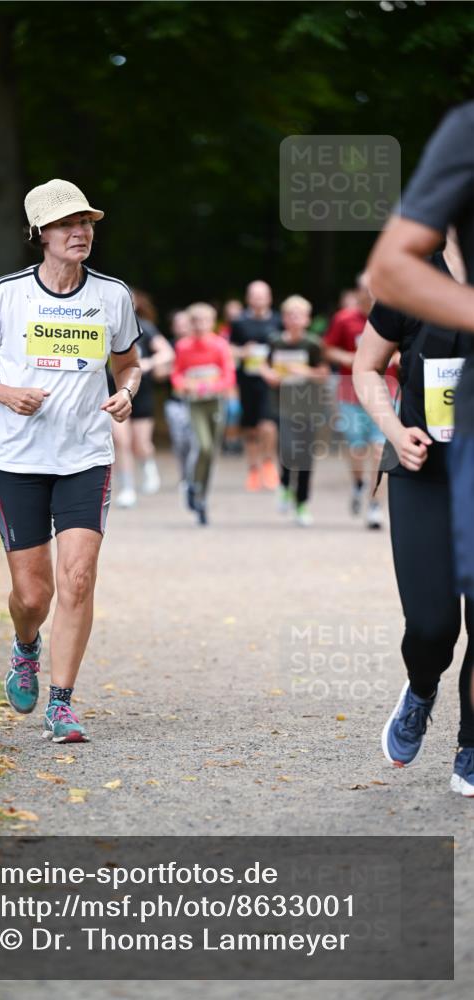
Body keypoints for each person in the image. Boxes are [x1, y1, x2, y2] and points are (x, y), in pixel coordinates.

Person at [0, 179, 141, 744]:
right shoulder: (9, 293)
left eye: (85, 222)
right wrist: (7, 394)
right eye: (65, 224)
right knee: (33, 595)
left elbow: (129, 363)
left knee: (77, 579)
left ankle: (62, 703)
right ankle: (25, 646)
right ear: (40, 235)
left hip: (85, 454)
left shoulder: (113, 295)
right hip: (16, 458)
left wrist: (128, 391)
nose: (79, 232)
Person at [366, 100, 474, 794]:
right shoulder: (417, 276)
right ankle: (421, 685)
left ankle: (470, 741)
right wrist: (390, 429)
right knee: (433, 623)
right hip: (424, 469)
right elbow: (363, 366)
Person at [323, 276, 387, 529]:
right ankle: (359, 483)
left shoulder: (391, 317)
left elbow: (405, 349)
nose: (370, 295)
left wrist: (395, 358)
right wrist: (351, 358)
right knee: (357, 448)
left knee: (380, 449)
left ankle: (375, 507)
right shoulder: (344, 319)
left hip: (384, 393)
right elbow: (327, 349)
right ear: (357, 292)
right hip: (351, 393)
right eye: (366, 291)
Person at [260, 295, 329, 527]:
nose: (294, 319)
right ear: (284, 318)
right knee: (287, 448)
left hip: (307, 406)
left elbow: (323, 374)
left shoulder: (313, 344)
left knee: (305, 455)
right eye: (290, 315)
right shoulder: (275, 341)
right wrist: (268, 374)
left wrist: (303, 372)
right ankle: (285, 484)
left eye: (299, 315)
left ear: (307, 319)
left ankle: (302, 502)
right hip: (282, 404)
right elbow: (264, 365)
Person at [171, 302, 235, 525]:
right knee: (203, 446)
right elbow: (177, 374)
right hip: (195, 404)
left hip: (216, 403)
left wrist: (209, 386)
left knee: (211, 452)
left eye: (204, 321)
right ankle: (193, 484)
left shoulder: (219, 346)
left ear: (212, 322)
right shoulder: (183, 346)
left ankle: (201, 495)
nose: (199, 325)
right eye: (195, 321)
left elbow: (228, 376)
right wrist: (186, 385)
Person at [111, 290, 173, 508]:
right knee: (120, 441)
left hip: (140, 392)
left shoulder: (145, 327)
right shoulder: (104, 325)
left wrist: (148, 363)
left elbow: (167, 352)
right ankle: (127, 488)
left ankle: (148, 466)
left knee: (141, 443)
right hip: (112, 392)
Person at [229, 280, 282, 492]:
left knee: (268, 425)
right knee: (250, 428)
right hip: (247, 381)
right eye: (255, 295)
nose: (259, 299)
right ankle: (253, 469)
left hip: (270, 382)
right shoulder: (239, 322)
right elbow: (229, 348)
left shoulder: (278, 321)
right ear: (248, 298)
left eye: (263, 295)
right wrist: (243, 352)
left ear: (269, 298)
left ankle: (268, 464)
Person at [164, 310, 195, 490]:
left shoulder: (197, 346)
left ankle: (193, 477)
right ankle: (184, 476)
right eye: (178, 323)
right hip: (175, 401)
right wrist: (176, 370)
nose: (182, 327)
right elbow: (160, 373)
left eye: (185, 323)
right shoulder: (168, 347)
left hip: (197, 401)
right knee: (180, 441)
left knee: (195, 442)